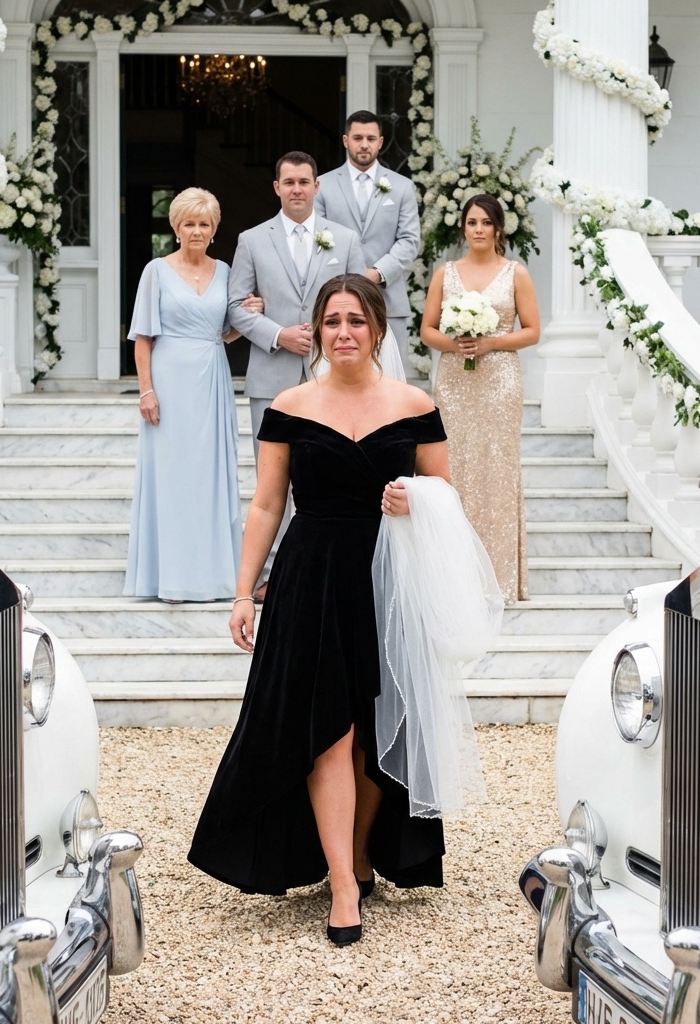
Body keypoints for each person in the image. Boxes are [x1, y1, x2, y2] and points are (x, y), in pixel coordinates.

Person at [189, 275, 450, 946]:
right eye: (332, 321)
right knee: (328, 732)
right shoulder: (291, 404)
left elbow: (446, 496)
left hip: (387, 578)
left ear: (378, 329)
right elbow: (266, 504)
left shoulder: (416, 404)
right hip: (310, 579)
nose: (343, 332)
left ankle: (359, 852)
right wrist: (243, 592)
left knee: (375, 730)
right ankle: (341, 885)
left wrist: (415, 501)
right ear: (317, 329)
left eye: (356, 321)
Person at [228, 151, 365, 597]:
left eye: (305, 181)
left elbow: (363, 303)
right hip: (272, 376)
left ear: (317, 186)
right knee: (272, 482)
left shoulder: (344, 239)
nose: (297, 189)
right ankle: (274, 573)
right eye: (289, 182)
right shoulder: (252, 240)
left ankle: (331, 565)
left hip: (334, 377)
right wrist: (278, 334)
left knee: (334, 473)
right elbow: (234, 307)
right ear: (277, 188)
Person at [124, 187, 262, 603]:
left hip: (212, 378)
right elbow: (143, 338)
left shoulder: (225, 271)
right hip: (169, 380)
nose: (197, 231)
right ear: (176, 228)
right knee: (172, 477)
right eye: (189, 224)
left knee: (210, 476)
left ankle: (216, 577)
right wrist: (146, 390)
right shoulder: (156, 271)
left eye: (204, 224)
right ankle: (172, 578)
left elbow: (224, 331)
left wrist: (249, 316)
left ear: (214, 229)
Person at [419, 193, 541, 605]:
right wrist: (456, 345)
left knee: (496, 469)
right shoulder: (446, 273)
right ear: (463, 228)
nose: (478, 229)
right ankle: (453, 577)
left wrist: (491, 343)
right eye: (472, 222)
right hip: (455, 382)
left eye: (486, 222)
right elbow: (428, 330)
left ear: (498, 229)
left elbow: (532, 331)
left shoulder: (516, 274)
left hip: (500, 382)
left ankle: (500, 578)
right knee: (454, 467)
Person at [315, 109, 420, 378]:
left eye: (371, 139)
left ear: (380, 142)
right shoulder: (322, 185)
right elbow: (318, 238)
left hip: (388, 301)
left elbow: (409, 240)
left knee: (389, 381)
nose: (364, 144)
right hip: (336, 300)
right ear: (345, 140)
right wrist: (346, 279)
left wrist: (376, 274)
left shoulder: (402, 186)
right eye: (358, 138)